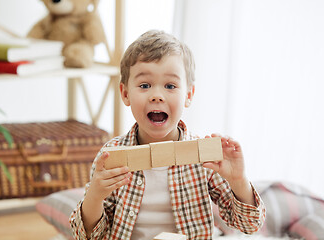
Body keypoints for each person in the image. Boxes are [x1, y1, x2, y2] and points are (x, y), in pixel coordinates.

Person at [70, 30, 265, 240]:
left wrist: (238, 181)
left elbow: (248, 225)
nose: (156, 96)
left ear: (188, 95)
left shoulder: (204, 157)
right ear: (125, 93)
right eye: (145, 85)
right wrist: (95, 196)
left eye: (170, 86)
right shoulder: (112, 156)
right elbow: (87, 236)